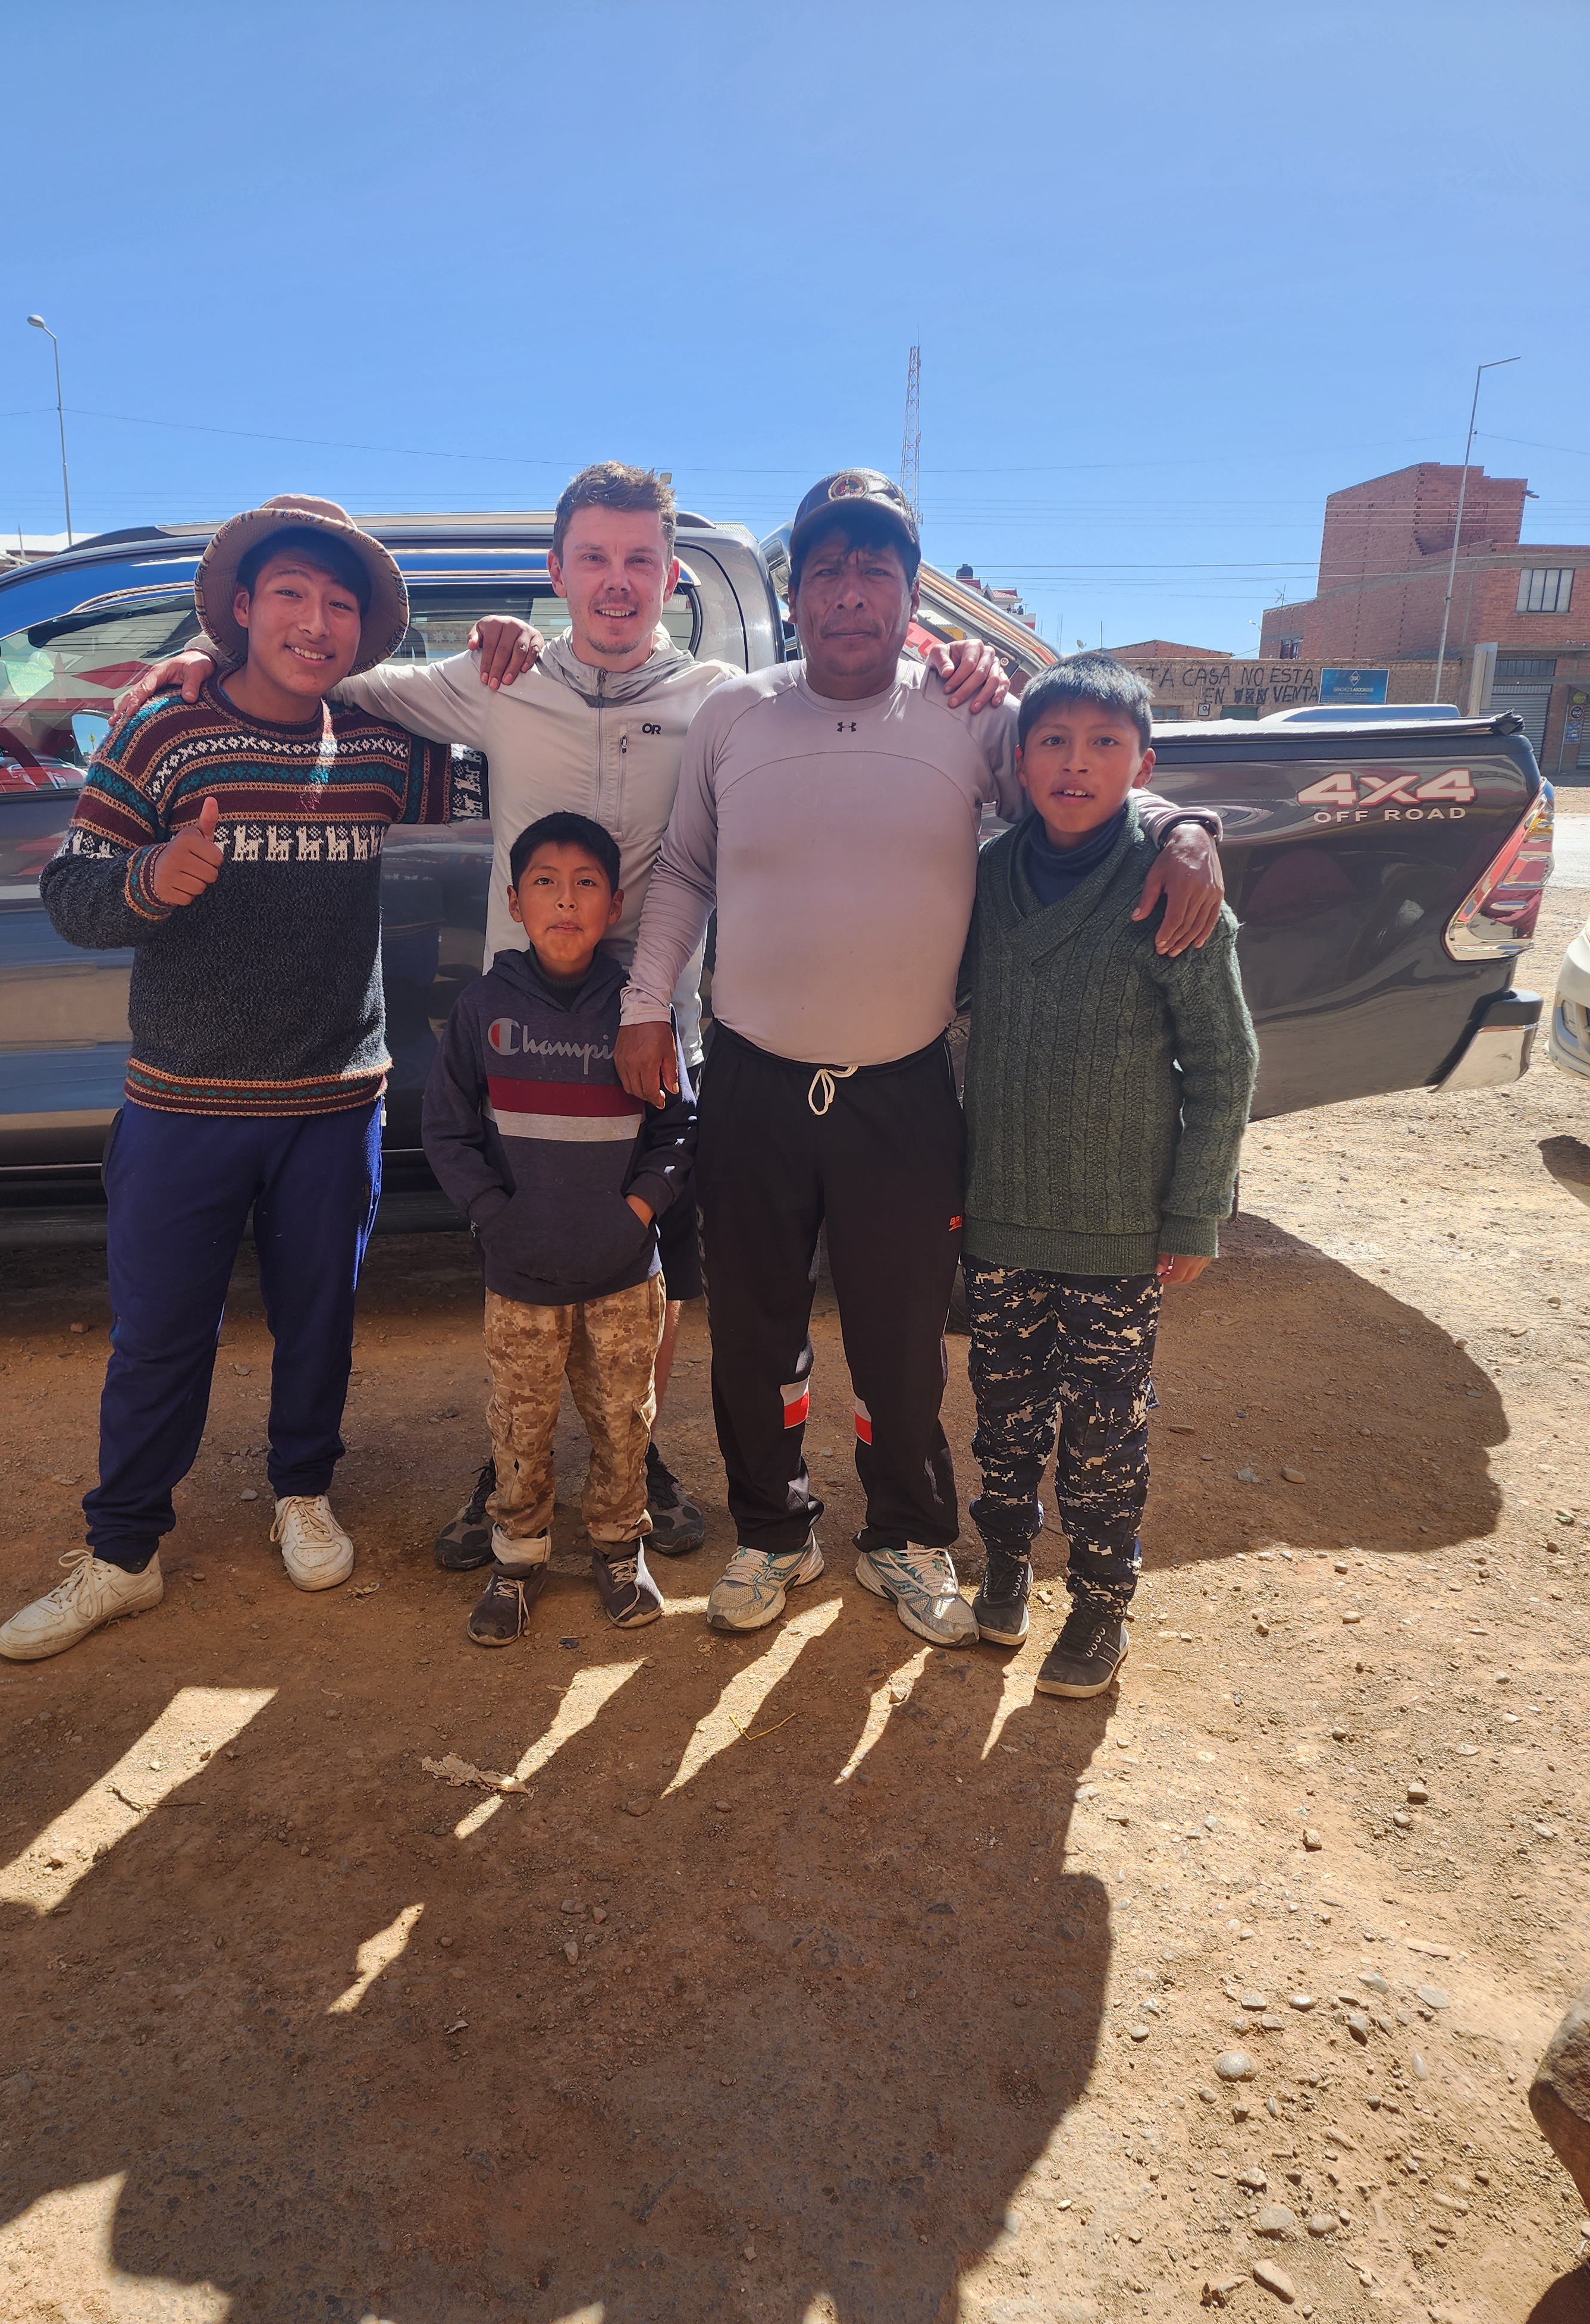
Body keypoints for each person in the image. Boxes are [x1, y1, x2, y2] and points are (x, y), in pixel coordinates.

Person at [108, 462, 1008, 1569]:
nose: (616, 581)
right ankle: (513, 1463)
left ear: (672, 578)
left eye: (639, 560)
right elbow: (337, 678)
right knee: (521, 1252)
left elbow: (830, 730)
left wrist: (957, 658)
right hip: (522, 1038)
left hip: (654, 1030)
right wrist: (212, 660)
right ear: (556, 571)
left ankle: (640, 1455)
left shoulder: (723, 697)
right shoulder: (499, 678)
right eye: (593, 558)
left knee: (650, 1255)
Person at [615, 469, 1226, 1648]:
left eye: (876, 571)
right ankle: (773, 1530)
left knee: (898, 1341)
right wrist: (648, 1002)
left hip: (900, 1090)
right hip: (751, 1079)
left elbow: (1081, 786)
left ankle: (902, 1531)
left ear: (908, 595)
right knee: (753, 1332)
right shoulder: (735, 714)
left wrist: (1183, 827)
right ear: (797, 593)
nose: (850, 592)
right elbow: (686, 866)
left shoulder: (968, 713)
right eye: (827, 570)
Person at [0, 497, 454, 1661]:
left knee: (319, 1323)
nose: (315, 622)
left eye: (339, 604)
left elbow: (508, 778)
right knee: (158, 1336)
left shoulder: (387, 745)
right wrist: (152, 877)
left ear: (362, 631)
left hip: (335, 1102)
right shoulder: (162, 731)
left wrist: (508, 649)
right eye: (291, 594)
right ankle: (122, 1551)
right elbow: (72, 896)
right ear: (242, 608)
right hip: (182, 1102)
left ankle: (303, 1492)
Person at [956, 656, 1257, 1694]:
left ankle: (1098, 1603)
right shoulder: (988, 877)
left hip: (1119, 1230)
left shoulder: (1172, 888)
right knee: (1003, 1414)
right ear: (1020, 761)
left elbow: (1224, 1063)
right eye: (1053, 742)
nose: (1075, 765)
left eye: (1103, 745)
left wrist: (1195, 1213)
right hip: (1000, 1214)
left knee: (1104, 1432)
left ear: (1143, 765)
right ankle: (1004, 1561)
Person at [421, 813, 694, 1642]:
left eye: (586, 885)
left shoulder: (639, 1014)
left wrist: (636, 1213)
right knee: (520, 1425)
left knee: (624, 1422)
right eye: (545, 882)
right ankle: (518, 1558)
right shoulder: (483, 1008)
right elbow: (448, 1133)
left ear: (615, 906)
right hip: (521, 1279)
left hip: (624, 1277)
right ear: (515, 902)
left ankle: (618, 1549)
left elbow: (679, 1130)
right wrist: (494, 1218)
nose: (565, 901)